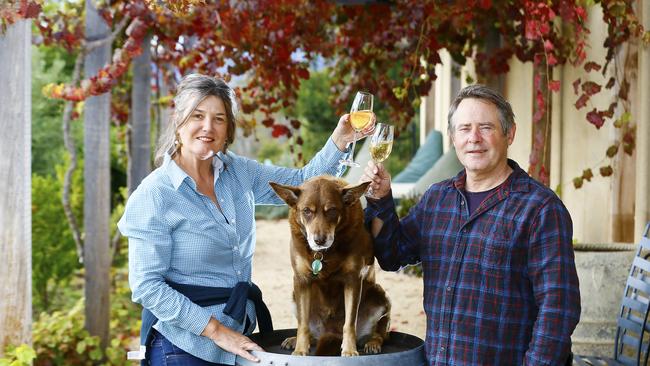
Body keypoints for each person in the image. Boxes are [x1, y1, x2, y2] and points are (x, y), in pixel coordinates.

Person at [118, 73, 373, 366]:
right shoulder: (154, 195)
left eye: (219, 118)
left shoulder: (238, 172)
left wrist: (340, 139)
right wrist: (217, 331)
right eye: (197, 115)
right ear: (178, 120)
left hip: (239, 339)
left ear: (229, 129)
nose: (207, 127)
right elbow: (147, 287)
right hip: (183, 347)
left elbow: (302, 183)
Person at [361, 84, 581, 365]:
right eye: (464, 129)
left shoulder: (540, 209)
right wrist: (380, 199)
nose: (474, 138)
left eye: (486, 127)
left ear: (509, 133)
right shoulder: (437, 199)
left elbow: (559, 309)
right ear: (453, 137)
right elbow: (393, 254)